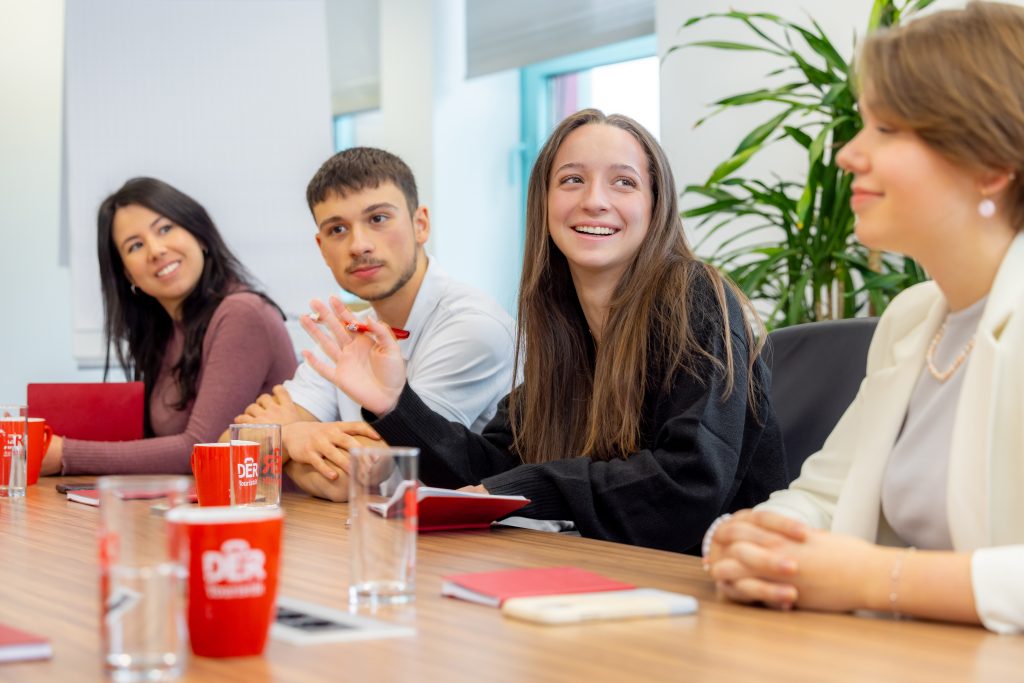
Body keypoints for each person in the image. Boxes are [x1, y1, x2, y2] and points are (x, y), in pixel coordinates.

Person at [299, 110, 787, 553]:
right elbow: (490, 470)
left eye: (623, 182)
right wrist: (394, 403)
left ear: (656, 205)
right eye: (572, 180)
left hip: (713, 589)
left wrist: (533, 487)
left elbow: (689, 486)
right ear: (545, 202)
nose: (595, 201)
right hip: (606, 579)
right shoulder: (565, 326)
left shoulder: (692, 295)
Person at [705, 1, 1024, 634]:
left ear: (991, 166)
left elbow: (862, 570)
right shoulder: (913, 318)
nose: (848, 154)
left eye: (886, 129)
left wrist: (876, 578)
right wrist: (752, 541)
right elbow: (825, 496)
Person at [235, 147, 516, 501]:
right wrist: (293, 438)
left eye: (378, 219)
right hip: (395, 536)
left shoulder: (472, 327)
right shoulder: (350, 332)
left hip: (504, 542)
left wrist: (284, 435)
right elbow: (233, 454)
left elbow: (363, 476)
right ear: (322, 248)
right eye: (338, 229)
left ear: (420, 224)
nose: (359, 245)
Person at [40, 177, 297, 475]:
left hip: (266, 510)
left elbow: (202, 449)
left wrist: (64, 454)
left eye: (165, 229)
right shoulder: (166, 329)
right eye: (135, 245)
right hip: (195, 506)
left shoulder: (242, 314)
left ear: (199, 235)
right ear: (128, 275)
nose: (156, 250)